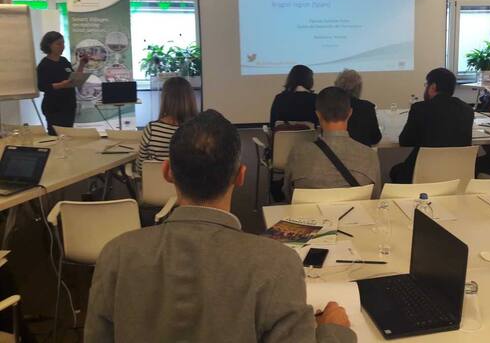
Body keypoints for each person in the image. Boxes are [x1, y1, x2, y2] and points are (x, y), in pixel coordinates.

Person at [85, 110, 356, 343]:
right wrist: (334, 331)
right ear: (240, 176)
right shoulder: (277, 263)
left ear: (167, 172)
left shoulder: (116, 254)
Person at [285, 87, 381, 200]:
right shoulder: (369, 156)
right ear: (350, 113)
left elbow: (288, 195)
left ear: (318, 114)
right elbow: (375, 198)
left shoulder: (298, 154)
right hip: (355, 211)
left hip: (309, 211)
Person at [389, 68, 474, 183]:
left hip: (422, 173)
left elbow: (405, 141)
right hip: (456, 175)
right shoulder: (467, 110)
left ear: (433, 87)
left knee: (395, 171)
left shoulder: (420, 108)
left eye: (426, 85)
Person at [136, 76, 198, 175]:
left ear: (165, 99)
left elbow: (140, 168)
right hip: (188, 184)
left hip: (154, 184)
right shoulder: (199, 131)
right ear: (190, 99)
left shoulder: (152, 129)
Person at [36, 31, 87, 136]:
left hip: (69, 105)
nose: (62, 46)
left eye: (63, 43)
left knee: (68, 135)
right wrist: (61, 85)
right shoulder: (44, 65)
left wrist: (82, 64)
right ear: (48, 45)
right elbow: (42, 86)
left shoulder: (64, 61)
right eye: (58, 44)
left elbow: (74, 78)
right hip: (54, 107)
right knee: (56, 136)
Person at [334, 69, 381, 146]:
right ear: (358, 88)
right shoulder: (367, 107)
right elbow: (375, 138)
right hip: (363, 152)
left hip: (335, 151)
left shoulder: (330, 106)